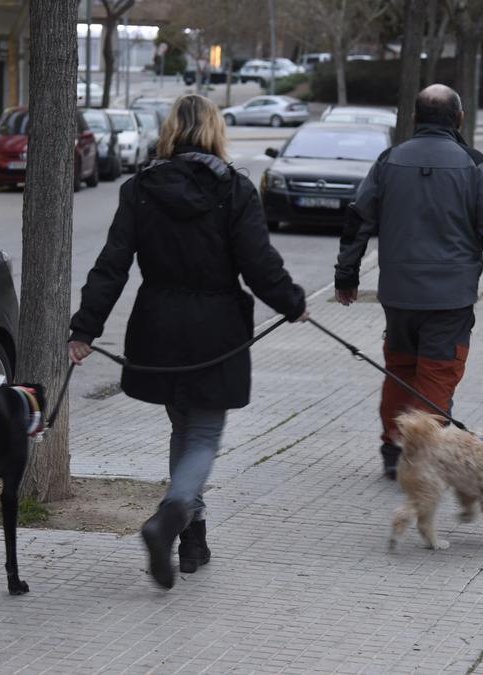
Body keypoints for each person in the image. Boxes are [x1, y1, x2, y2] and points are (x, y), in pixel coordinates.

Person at [68, 94, 308, 589]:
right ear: (216, 131)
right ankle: (173, 514)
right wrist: (292, 302)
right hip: (215, 327)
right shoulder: (235, 189)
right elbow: (258, 262)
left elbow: (113, 264)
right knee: (202, 433)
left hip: (158, 323)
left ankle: (191, 536)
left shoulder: (140, 188)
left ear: (170, 131)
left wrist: (85, 327)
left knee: (183, 426)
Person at [334, 84, 483, 480]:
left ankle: (392, 446)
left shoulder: (388, 161)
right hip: (450, 298)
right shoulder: (475, 165)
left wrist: (345, 275)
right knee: (437, 371)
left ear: (415, 119)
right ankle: (421, 453)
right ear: (459, 119)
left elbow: (357, 221)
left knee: (400, 368)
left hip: (398, 294)